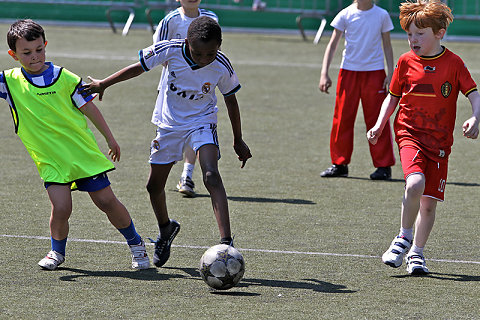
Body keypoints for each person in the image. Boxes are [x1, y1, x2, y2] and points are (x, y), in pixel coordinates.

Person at [80, 16, 252, 268]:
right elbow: (139, 66)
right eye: (198, 53)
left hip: (202, 122)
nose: (204, 59)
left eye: (210, 54)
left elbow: (230, 100)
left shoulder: (222, 65)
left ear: (220, 45)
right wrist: (104, 83)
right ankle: (165, 228)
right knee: (153, 186)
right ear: (187, 43)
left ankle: (226, 243)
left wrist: (238, 139)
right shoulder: (170, 49)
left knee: (211, 175)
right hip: (169, 125)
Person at [0, 19, 150, 270]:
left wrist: (110, 138)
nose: (34, 56)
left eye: (39, 49)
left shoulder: (65, 78)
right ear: (13, 55)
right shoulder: (9, 81)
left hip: (82, 155)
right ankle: (56, 252)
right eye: (26, 53)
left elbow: (90, 108)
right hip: (50, 159)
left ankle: (136, 244)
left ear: (45, 45)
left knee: (106, 202)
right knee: (61, 206)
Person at [367, 0, 480, 275]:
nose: (413, 40)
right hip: (409, 134)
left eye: (420, 34)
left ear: (439, 33)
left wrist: (476, 116)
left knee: (428, 205)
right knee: (415, 182)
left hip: (440, 144)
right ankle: (403, 237)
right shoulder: (405, 62)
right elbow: (392, 99)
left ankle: (416, 253)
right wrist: (380, 124)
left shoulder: (453, 63)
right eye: (409, 34)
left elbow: (474, 93)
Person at [318, 0, 396, 180]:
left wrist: (391, 72)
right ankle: (339, 164)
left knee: (378, 119)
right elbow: (332, 44)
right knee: (342, 118)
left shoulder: (382, 15)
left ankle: (384, 166)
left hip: (375, 73)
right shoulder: (345, 14)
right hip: (348, 72)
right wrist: (324, 73)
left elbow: (387, 45)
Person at [153, 0, 218, 197]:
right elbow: (158, 53)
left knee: (196, 130)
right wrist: (184, 75)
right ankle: (158, 179)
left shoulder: (211, 19)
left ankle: (187, 175)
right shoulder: (170, 20)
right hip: (172, 90)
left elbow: (215, 52)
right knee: (168, 135)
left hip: (201, 91)